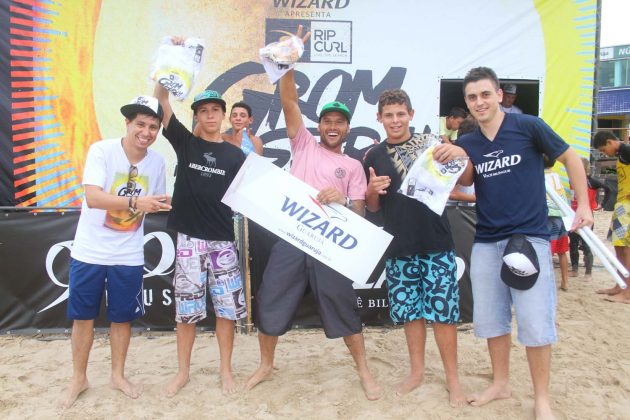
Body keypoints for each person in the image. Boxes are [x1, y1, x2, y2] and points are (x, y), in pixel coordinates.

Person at [433, 66, 592, 420]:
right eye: (472, 97)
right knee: (492, 321)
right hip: (487, 241)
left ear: (499, 95)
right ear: (467, 103)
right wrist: (456, 156)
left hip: (529, 238)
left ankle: (542, 399)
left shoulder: (529, 127)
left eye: (485, 94)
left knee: (535, 323)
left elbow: (570, 158)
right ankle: (501, 383)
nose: (479, 102)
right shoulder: (469, 142)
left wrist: (583, 204)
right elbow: (467, 180)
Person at [245, 26, 382, 401]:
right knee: (270, 299)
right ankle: (266, 365)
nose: (333, 127)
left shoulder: (354, 165)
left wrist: (342, 201)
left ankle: (365, 371)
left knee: (344, 308)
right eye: (327, 121)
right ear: (319, 126)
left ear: (347, 128)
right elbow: (290, 103)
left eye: (339, 122)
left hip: (330, 246)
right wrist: (288, 61)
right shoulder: (303, 144)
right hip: (293, 237)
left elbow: (360, 214)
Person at [60, 96, 170, 408]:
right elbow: (93, 197)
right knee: (83, 317)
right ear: (127, 123)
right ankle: (78, 378)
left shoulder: (157, 162)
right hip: (90, 251)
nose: (146, 132)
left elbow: (157, 202)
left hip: (129, 254)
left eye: (153, 126)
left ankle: (117, 375)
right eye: (141, 124)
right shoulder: (102, 150)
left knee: (122, 318)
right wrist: (136, 202)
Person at [363, 89, 467, 406]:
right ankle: (417, 372)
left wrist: (460, 153)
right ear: (378, 118)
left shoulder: (433, 145)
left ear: (411, 113)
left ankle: (453, 381)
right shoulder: (371, 156)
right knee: (411, 314)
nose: (395, 120)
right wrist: (371, 191)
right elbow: (373, 209)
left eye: (400, 113)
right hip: (399, 247)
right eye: (389, 115)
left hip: (436, 242)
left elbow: (461, 182)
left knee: (445, 316)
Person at [154, 76, 246, 395]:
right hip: (190, 240)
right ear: (196, 116)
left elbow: (258, 196)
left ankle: (226, 371)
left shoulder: (237, 156)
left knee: (227, 311)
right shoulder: (186, 143)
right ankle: (182, 373)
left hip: (223, 241)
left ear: (223, 115)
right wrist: (167, 68)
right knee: (187, 312)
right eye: (203, 110)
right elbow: (162, 104)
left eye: (214, 110)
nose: (209, 115)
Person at [593, 130, 630, 303]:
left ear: (609, 142)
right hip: (621, 205)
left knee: (626, 248)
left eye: (602, 150)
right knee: (618, 246)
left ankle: (628, 291)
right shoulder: (621, 154)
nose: (604, 153)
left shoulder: (627, 150)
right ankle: (620, 285)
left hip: (628, 206)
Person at [569, 158, 609, 279]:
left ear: (585, 168)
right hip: (573, 216)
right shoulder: (572, 180)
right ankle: (575, 269)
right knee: (573, 244)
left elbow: (609, 189)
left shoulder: (591, 182)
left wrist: (602, 204)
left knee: (586, 243)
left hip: (587, 216)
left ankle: (588, 272)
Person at [544, 156, 570, 291]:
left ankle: (547, 283)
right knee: (562, 251)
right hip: (560, 216)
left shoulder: (538, 176)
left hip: (547, 216)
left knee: (546, 252)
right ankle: (565, 281)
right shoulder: (556, 176)